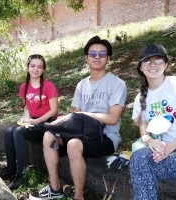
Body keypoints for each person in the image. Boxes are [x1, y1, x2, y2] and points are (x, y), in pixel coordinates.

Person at [29, 36, 127, 200]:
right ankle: (55, 187)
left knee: (74, 144)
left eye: (102, 54)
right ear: (86, 58)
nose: (97, 57)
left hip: (106, 137)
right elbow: (75, 118)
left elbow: (112, 119)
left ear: (108, 58)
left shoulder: (117, 83)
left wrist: (86, 115)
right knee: (48, 136)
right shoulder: (82, 85)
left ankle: (78, 196)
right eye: (93, 53)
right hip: (81, 134)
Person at [130, 44, 176, 200]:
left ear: (166, 64)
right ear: (141, 67)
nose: (153, 65)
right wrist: (150, 141)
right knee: (138, 158)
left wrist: (169, 148)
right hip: (165, 149)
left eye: (158, 60)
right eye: (147, 61)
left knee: (142, 168)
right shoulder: (140, 98)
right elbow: (144, 133)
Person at [0, 54, 59, 190]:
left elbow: (54, 110)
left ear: (43, 69)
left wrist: (36, 121)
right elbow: (26, 107)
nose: (36, 69)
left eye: (40, 67)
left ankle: (22, 176)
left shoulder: (49, 86)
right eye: (33, 66)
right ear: (28, 67)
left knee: (19, 132)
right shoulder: (24, 86)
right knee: (9, 130)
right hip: (34, 120)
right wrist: (25, 119)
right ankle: (10, 169)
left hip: (48, 123)